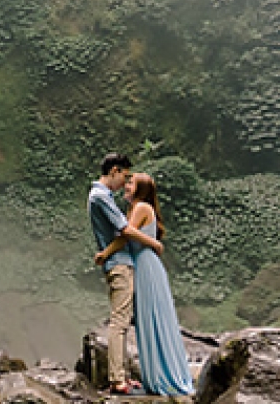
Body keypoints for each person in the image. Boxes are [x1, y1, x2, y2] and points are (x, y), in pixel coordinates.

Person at [95, 172, 195, 396]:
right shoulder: (135, 209)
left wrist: (105, 253)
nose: (126, 186)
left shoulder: (141, 208)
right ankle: (155, 375)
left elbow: (124, 236)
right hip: (141, 265)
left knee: (153, 319)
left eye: (131, 183)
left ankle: (163, 376)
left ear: (140, 190)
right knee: (146, 320)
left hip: (146, 266)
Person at [88, 152, 164, 395]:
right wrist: (154, 244)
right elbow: (124, 230)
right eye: (125, 176)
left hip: (119, 262)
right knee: (119, 323)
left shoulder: (103, 196)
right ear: (114, 171)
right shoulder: (101, 196)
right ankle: (117, 379)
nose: (125, 182)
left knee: (122, 321)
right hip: (119, 264)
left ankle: (123, 377)